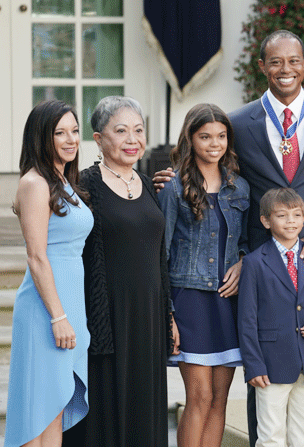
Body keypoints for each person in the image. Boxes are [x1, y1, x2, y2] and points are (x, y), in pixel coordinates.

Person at [154, 29, 304, 447]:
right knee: (258, 381)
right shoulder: (238, 123)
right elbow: (219, 176)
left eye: (293, 61)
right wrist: (177, 178)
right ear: (262, 67)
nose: (286, 70)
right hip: (258, 274)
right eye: (276, 62)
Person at [62, 96, 178, 447]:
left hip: (150, 316)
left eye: (139, 130)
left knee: (146, 404)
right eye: (121, 130)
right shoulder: (83, 186)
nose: (133, 139)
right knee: (106, 408)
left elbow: (160, 256)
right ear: (98, 139)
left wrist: (169, 314)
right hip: (106, 317)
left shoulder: (148, 184)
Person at [158, 103, 250, 447]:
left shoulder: (239, 188)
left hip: (228, 303)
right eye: (205, 136)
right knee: (198, 398)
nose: (215, 143)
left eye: (222, 136)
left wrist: (242, 262)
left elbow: (244, 242)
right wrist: (168, 315)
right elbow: (161, 254)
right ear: (190, 139)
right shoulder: (173, 189)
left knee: (219, 400)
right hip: (189, 302)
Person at [4, 100, 93, 447]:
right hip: (45, 309)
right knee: (36, 411)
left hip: (69, 303)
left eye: (75, 131)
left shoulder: (62, 180)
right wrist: (58, 316)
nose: (71, 139)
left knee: (56, 405)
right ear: (42, 137)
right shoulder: (35, 183)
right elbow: (37, 257)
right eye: (60, 133)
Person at [238, 188, 304, 447]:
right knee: (271, 435)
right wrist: (254, 365)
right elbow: (247, 319)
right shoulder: (254, 262)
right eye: (282, 215)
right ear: (265, 221)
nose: (291, 221)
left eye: (297, 215)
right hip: (271, 366)